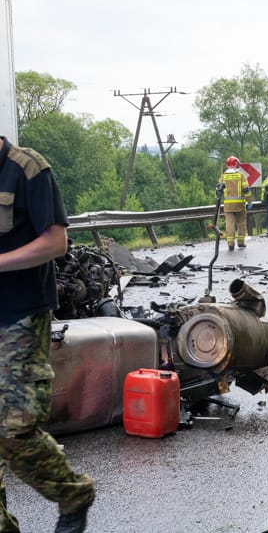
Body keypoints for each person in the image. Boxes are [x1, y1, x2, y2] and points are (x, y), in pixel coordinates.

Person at [0, 135, 96, 533]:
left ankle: (72, 492)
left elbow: (56, 242)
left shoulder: (27, 168)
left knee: (13, 429)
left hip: (18, 315)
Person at [218, 156, 252, 250]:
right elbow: (246, 190)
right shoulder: (241, 175)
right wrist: (249, 201)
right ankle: (241, 242)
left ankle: (230, 243)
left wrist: (218, 199)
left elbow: (218, 190)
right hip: (240, 204)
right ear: (236, 164)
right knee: (241, 223)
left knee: (229, 224)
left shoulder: (223, 176)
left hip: (228, 205)